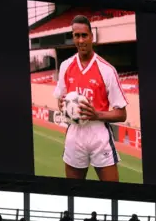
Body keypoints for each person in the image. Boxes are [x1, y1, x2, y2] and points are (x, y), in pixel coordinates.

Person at [53, 14, 128, 182]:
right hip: (74, 136)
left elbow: (122, 114)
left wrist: (97, 115)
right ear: (73, 37)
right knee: (73, 193)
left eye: (84, 35)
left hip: (99, 138)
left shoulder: (107, 70)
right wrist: (64, 107)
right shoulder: (65, 66)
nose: (80, 40)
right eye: (76, 36)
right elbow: (60, 98)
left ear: (91, 37)